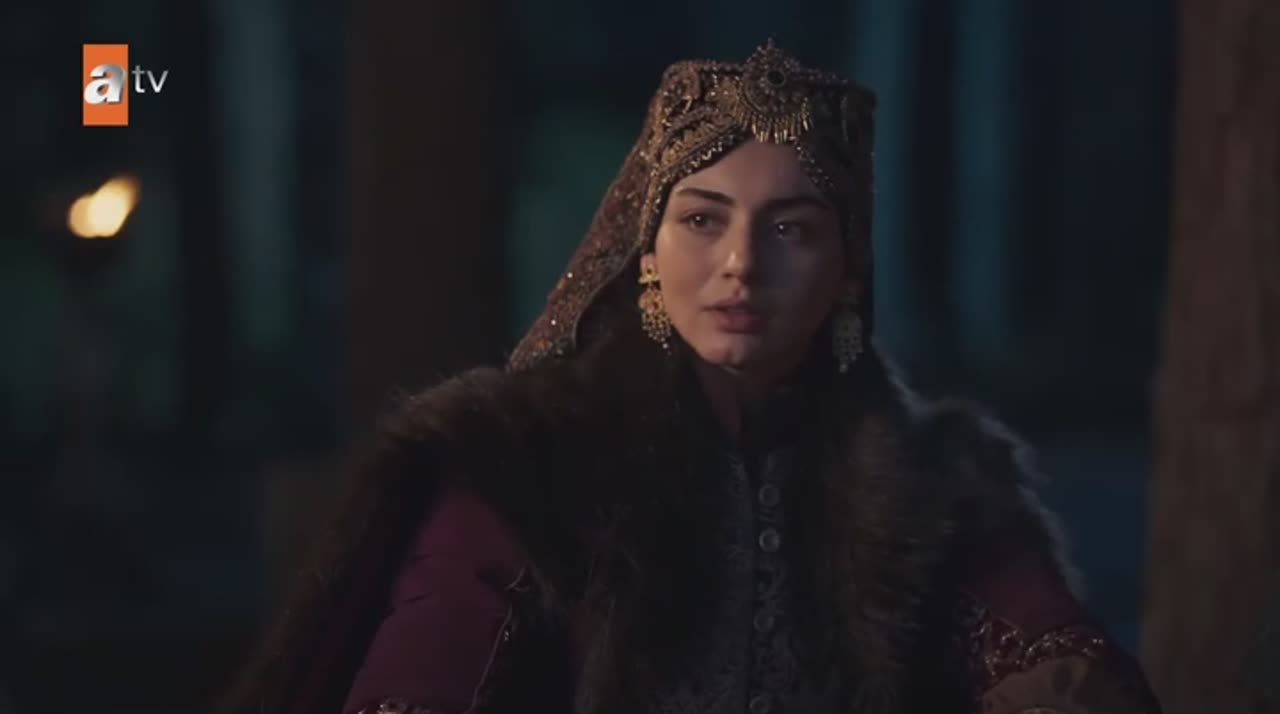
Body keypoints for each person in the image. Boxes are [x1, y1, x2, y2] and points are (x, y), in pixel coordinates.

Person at [226, 40, 1163, 714]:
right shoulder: (528, 466)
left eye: (791, 229)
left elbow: (1059, 665)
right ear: (648, 255)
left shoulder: (933, 486)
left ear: (846, 274)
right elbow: (420, 684)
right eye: (703, 221)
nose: (742, 265)